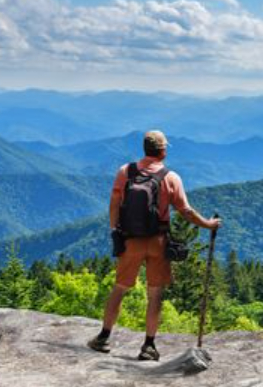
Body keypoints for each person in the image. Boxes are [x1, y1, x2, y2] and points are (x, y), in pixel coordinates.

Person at [87, 130, 222, 360]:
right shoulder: (171, 178)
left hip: (130, 240)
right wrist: (208, 224)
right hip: (158, 242)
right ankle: (148, 346)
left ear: (144, 148)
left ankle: (103, 337)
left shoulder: (125, 172)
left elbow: (114, 204)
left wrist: (115, 232)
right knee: (155, 293)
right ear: (163, 150)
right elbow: (186, 211)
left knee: (119, 288)